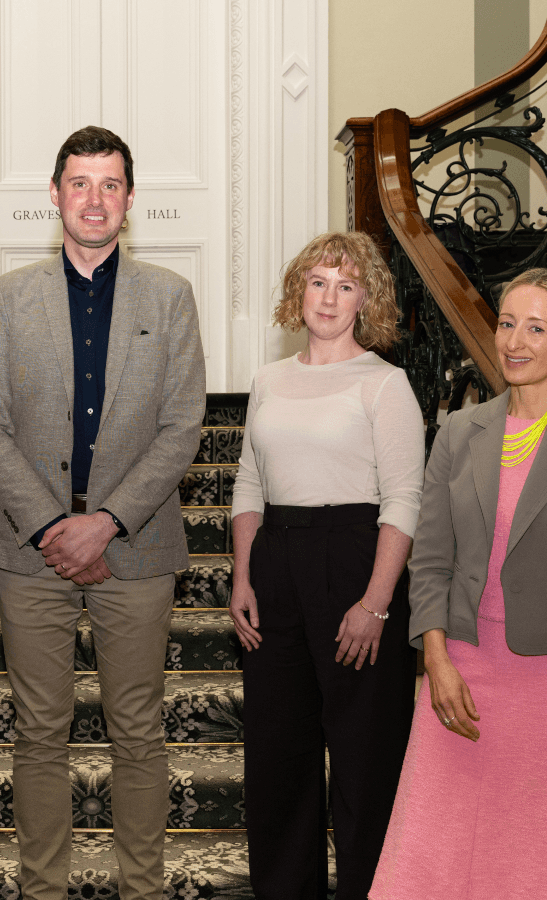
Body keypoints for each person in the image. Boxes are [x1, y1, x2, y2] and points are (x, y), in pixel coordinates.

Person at [0, 125, 205, 900]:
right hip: (27, 547)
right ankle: (43, 891)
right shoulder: (10, 298)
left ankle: (142, 889)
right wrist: (49, 526)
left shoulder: (170, 298)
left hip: (133, 548)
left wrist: (104, 521)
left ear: (129, 200)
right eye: (80, 183)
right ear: (55, 194)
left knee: (137, 732)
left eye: (110, 185)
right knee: (40, 735)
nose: (94, 199)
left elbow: (182, 427)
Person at [370, 268, 547, 899]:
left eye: (536, 327)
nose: (513, 340)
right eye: (505, 322)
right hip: (462, 679)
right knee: (439, 854)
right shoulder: (461, 432)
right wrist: (434, 659)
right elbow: (431, 560)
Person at [228, 231, 425, 899]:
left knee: (365, 760)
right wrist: (242, 578)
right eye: (318, 282)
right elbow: (249, 485)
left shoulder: (385, 384)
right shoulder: (267, 380)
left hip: (356, 561)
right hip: (275, 561)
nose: (329, 297)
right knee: (278, 758)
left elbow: (404, 500)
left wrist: (375, 604)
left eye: (346, 285)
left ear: (367, 299)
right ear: (298, 292)